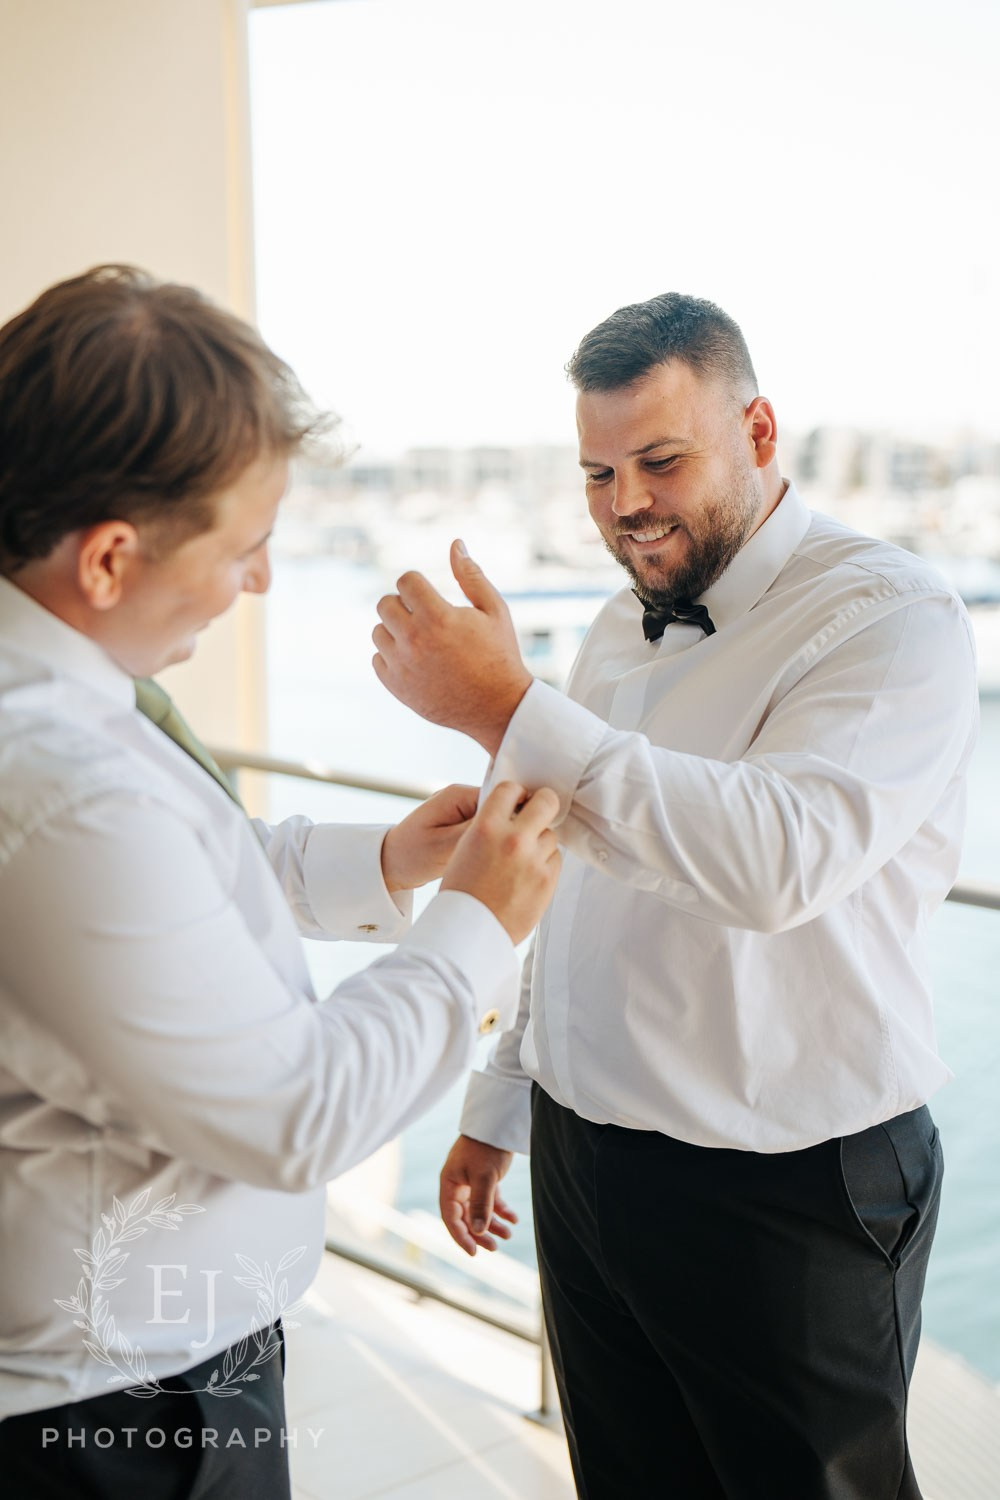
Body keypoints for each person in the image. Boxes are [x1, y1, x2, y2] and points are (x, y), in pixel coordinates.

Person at [371, 292, 980, 1500]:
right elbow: (574, 877)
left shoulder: (892, 617)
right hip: (588, 1160)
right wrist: (503, 1100)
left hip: (788, 1182)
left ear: (758, 431)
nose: (624, 506)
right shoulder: (608, 625)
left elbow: (773, 863)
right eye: (598, 473)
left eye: (659, 460)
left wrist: (505, 708)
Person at [0, 265, 561, 1500]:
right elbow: (293, 1112)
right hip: (115, 1412)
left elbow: (170, 889)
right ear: (107, 559)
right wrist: (479, 927)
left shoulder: (60, 711)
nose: (260, 583)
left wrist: (392, 864)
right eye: (247, 548)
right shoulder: (54, 778)